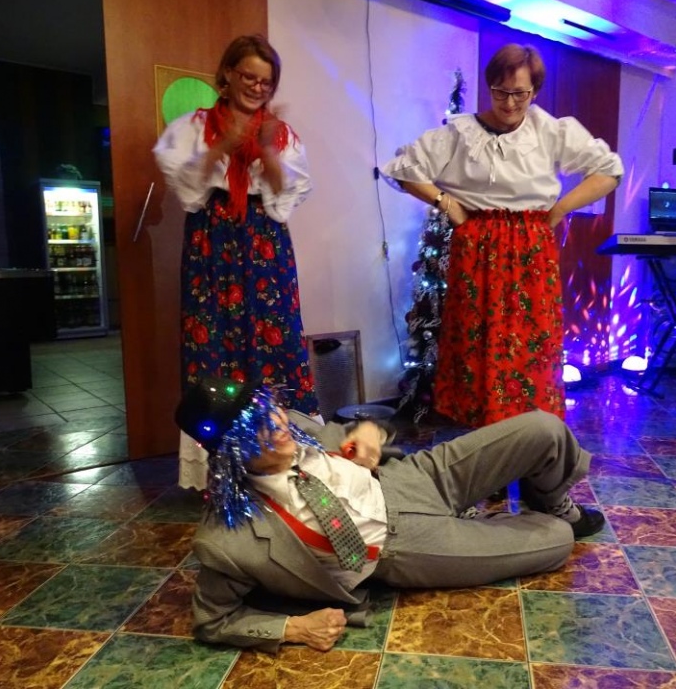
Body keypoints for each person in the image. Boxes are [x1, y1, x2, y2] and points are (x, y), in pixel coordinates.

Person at [176, 377, 605, 653]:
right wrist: (295, 628)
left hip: (413, 477)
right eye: (256, 427)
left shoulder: (294, 424)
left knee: (544, 428)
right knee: (556, 539)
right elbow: (212, 620)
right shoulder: (226, 539)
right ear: (232, 453)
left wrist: (368, 430)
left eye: (267, 407)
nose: (276, 422)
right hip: (403, 546)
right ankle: (475, 526)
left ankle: (547, 496)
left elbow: (355, 433)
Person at [381, 43, 623, 428]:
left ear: (535, 91)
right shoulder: (459, 133)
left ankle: (529, 438)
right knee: (477, 342)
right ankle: (484, 441)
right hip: (478, 246)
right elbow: (402, 168)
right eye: (501, 92)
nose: (510, 103)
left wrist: (560, 208)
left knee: (530, 342)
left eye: (520, 93)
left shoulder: (551, 130)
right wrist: (447, 202)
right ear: (490, 87)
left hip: (531, 247)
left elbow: (609, 171)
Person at [153, 35, 319, 486]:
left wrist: (264, 151)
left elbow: (286, 196)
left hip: (264, 241)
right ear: (227, 73)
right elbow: (189, 191)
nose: (257, 88)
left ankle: (280, 453)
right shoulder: (193, 126)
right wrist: (223, 144)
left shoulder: (281, 134)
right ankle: (219, 465)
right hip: (213, 239)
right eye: (249, 76)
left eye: (266, 82)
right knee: (213, 341)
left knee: (276, 340)